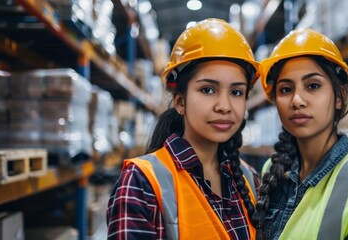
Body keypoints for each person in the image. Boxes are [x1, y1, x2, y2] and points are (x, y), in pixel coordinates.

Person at [106, 18, 261, 240]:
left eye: (236, 92)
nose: (224, 106)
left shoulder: (249, 179)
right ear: (180, 102)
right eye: (208, 90)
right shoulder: (141, 183)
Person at [252, 28, 348, 239]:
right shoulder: (272, 172)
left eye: (313, 85)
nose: (297, 100)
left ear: (338, 98)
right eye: (285, 89)